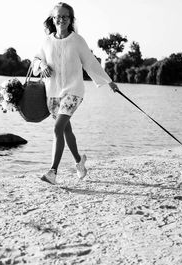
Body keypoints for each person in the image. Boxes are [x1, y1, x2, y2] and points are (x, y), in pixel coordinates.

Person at [33, 2, 119, 185]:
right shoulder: (47, 41)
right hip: (53, 93)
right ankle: (79, 162)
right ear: (52, 19)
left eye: (65, 17)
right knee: (66, 130)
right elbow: (36, 59)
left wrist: (108, 81)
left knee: (57, 128)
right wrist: (42, 65)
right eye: (58, 17)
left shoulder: (77, 40)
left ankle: (52, 172)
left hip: (73, 91)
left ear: (71, 19)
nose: (61, 20)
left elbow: (91, 63)